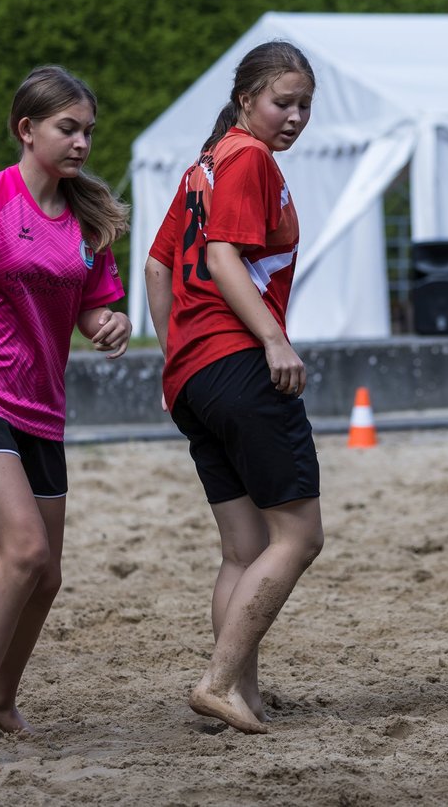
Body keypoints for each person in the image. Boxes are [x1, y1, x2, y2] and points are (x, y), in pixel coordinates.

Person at [144, 41, 324, 736]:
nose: (296, 116)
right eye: (284, 100)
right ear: (246, 97)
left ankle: (236, 697)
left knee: (243, 548)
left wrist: (177, 354)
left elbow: (159, 270)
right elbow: (221, 258)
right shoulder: (248, 156)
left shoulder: (203, 165)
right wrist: (273, 340)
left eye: (305, 104)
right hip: (240, 363)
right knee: (300, 535)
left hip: (194, 375)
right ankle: (218, 681)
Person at [0, 66, 131, 772]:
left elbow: (92, 305)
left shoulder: (87, 219)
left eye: (87, 131)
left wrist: (111, 323)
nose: (81, 143)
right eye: (67, 129)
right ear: (27, 130)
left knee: (47, 578)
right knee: (23, 554)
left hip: (44, 409)